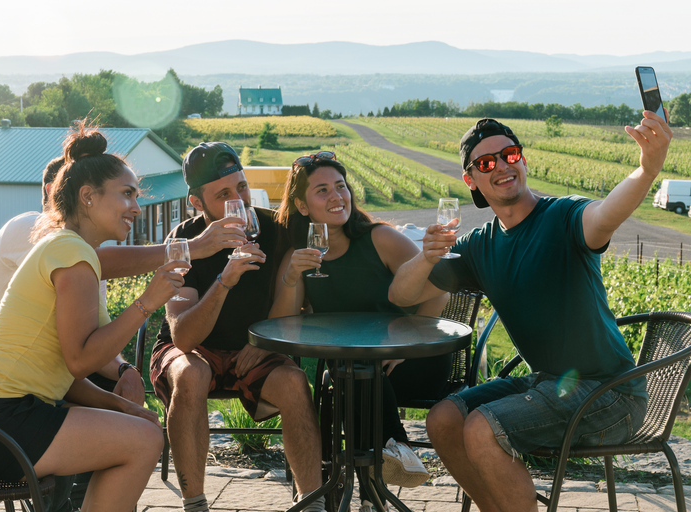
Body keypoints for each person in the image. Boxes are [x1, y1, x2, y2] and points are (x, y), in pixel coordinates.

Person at [388, 114, 672, 512]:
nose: (502, 166)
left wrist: (647, 169)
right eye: (486, 163)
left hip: (610, 393)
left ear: (523, 161)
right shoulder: (479, 245)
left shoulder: (564, 217)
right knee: (443, 420)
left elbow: (606, 213)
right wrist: (425, 258)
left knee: (482, 428)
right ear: (471, 180)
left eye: (510, 154)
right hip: (551, 383)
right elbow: (402, 294)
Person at [0, 122, 185, 512]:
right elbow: (81, 360)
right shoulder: (72, 256)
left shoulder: (66, 248)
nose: (136, 208)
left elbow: (63, 372)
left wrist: (118, 404)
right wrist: (147, 302)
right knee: (144, 441)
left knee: (138, 429)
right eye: (127, 194)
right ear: (87, 196)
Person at [149, 142, 324, 512]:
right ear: (197, 202)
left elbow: (297, 306)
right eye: (223, 194)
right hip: (191, 349)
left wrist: (265, 342)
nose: (238, 201)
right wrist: (225, 280)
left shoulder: (274, 230)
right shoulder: (184, 241)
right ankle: (195, 504)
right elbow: (182, 336)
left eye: (241, 187)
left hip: (255, 345)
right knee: (191, 374)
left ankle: (312, 503)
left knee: (294, 383)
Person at [269, 152, 449, 510]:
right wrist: (291, 277)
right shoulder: (301, 256)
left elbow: (439, 289)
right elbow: (282, 326)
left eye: (341, 186)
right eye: (323, 190)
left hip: (411, 362)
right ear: (302, 207)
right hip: (356, 371)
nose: (337, 196)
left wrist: (404, 345)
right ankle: (380, 481)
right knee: (354, 373)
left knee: (351, 377)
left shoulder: (380, 239)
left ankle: (353, 482)